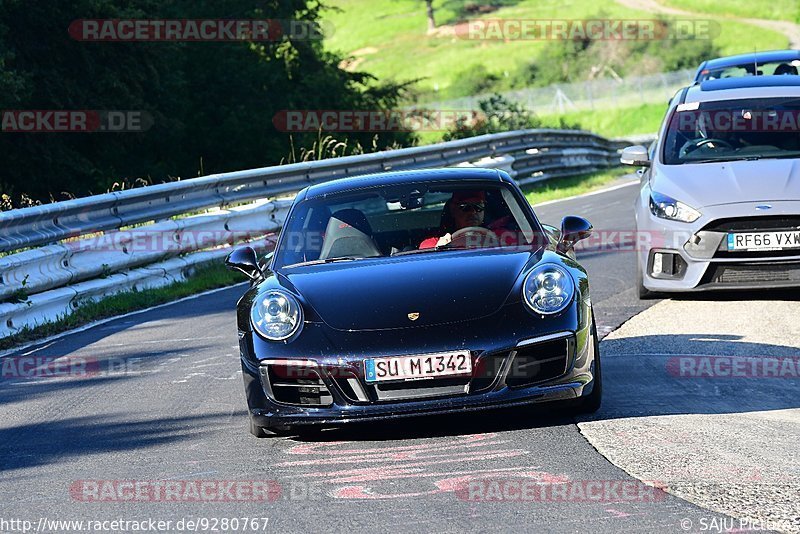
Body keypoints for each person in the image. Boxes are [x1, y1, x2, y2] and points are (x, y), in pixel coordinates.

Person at [418, 190, 516, 249]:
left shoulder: (501, 236)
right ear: (453, 210)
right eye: (465, 207)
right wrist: (440, 251)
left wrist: (501, 246)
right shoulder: (434, 243)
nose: (473, 212)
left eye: (478, 207)